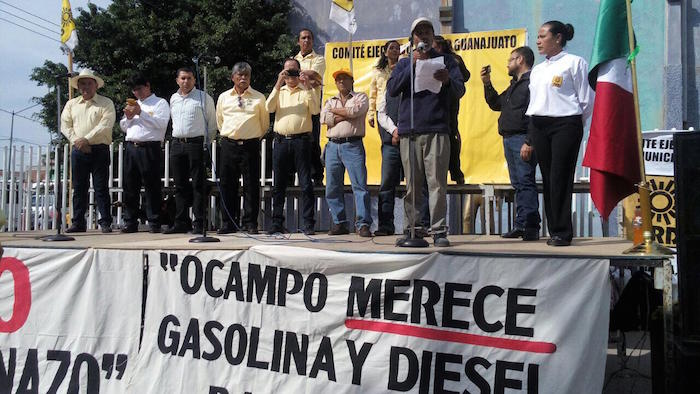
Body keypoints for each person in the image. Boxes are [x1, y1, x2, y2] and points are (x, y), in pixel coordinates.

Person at [387, 17, 465, 247]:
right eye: (419, 32)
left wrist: (448, 80)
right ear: (413, 39)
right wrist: (412, 65)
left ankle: (439, 230)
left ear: (433, 36)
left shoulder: (447, 61)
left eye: (428, 32)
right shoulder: (403, 63)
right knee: (412, 184)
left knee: (437, 183)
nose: (424, 36)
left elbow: (460, 90)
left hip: (437, 130)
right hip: (410, 131)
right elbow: (392, 89)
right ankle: (413, 228)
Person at [526, 21, 594, 246]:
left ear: (558, 38)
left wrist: (574, 124)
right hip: (539, 125)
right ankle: (554, 229)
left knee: (560, 177)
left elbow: (586, 100)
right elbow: (535, 101)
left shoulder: (574, 63)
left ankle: (563, 232)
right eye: (538, 36)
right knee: (547, 178)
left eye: (543, 36)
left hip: (566, 124)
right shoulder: (537, 69)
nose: (538, 41)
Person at [481, 46, 541, 241]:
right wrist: (487, 83)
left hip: (522, 139)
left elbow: (535, 113)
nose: (507, 63)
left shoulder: (532, 83)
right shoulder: (515, 85)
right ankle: (521, 224)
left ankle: (530, 226)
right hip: (509, 139)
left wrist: (529, 141)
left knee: (525, 181)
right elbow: (496, 104)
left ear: (520, 60)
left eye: (511, 59)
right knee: (518, 183)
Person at [266, 58, 319, 235]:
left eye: (294, 71)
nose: (291, 75)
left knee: (305, 184)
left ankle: (308, 223)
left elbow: (315, 110)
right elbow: (269, 107)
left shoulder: (306, 90)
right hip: (281, 141)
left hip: (301, 141)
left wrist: (307, 85)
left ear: (300, 71)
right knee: (278, 184)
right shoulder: (279, 91)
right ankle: (276, 223)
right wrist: (278, 82)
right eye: (287, 72)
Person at [216, 62, 269, 235]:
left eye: (246, 75)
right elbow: (219, 121)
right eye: (240, 75)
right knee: (226, 184)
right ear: (233, 78)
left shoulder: (259, 97)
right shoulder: (224, 97)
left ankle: (250, 223)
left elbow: (264, 124)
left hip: (250, 145)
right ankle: (228, 222)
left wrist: (250, 136)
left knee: (251, 185)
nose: (243, 78)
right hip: (229, 145)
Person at [61, 69, 116, 233]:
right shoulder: (71, 104)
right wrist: (77, 141)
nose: (86, 87)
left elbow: (105, 124)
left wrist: (86, 139)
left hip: (99, 148)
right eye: (82, 83)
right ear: (78, 86)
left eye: (89, 83)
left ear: (96, 85)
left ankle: (105, 222)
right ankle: (78, 222)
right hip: (78, 149)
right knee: (78, 188)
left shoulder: (106, 103)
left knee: (101, 187)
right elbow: (65, 125)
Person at [165, 67, 217, 234]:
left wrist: (205, 143)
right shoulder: (173, 98)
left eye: (189, 78)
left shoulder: (203, 97)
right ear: (177, 80)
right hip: (177, 144)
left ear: (194, 80)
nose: (185, 81)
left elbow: (212, 124)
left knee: (197, 184)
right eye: (183, 78)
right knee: (179, 185)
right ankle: (181, 221)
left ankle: (199, 222)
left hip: (195, 144)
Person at [321, 69, 371, 237]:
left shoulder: (360, 97)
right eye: (338, 79)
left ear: (352, 81)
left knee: (359, 185)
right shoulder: (330, 100)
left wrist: (337, 113)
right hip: (333, 146)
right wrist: (347, 114)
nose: (341, 81)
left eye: (344, 78)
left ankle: (363, 223)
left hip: (352, 144)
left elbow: (356, 111)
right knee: (332, 186)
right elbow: (324, 119)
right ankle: (339, 222)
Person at [119, 72, 170, 233]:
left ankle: (154, 221)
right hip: (131, 147)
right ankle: (130, 221)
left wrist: (141, 113)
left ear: (148, 86)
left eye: (139, 89)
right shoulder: (132, 104)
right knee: (129, 186)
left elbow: (161, 125)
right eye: (134, 90)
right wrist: (128, 117)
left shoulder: (159, 103)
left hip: (149, 147)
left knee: (152, 185)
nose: (137, 93)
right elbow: (123, 127)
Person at [370, 40, 403, 236]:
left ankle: (414, 226)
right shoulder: (380, 73)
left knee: (416, 185)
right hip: (389, 131)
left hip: (409, 137)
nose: (395, 51)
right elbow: (377, 103)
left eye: (398, 48)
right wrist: (393, 131)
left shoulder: (410, 82)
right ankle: (385, 225)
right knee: (387, 183)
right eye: (391, 48)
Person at [433, 35, 470, 184]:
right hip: (433, 103)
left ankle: (455, 171)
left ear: (440, 47)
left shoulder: (452, 59)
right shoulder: (426, 59)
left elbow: (466, 76)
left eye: (434, 47)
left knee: (451, 134)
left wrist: (455, 64)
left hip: (450, 102)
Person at [294, 28, 326, 186]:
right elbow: (310, 80)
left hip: (312, 104)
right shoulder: (294, 58)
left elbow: (315, 76)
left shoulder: (319, 59)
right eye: (303, 38)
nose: (306, 41)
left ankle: (317, 175)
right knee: (296, 141)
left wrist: (295, 73)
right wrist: (307, 79)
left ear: (313, 41)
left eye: (309, 38)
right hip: (296, 104)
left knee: (313, 140)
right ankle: (299, 175)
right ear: (298, 41)